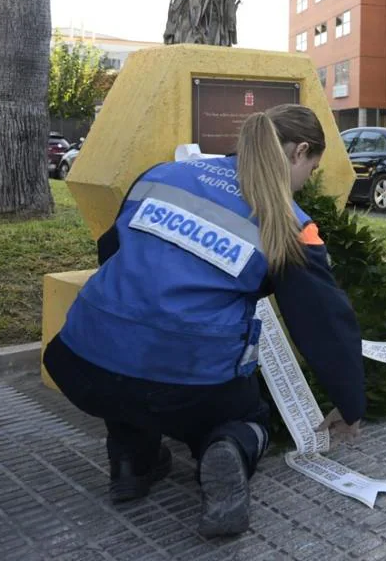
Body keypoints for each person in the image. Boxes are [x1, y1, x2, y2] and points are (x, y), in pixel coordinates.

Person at [42, 104, 365, 537]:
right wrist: (350, 404)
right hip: (188, 384)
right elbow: (323, 322)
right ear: (299, 152)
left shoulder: (162, 175)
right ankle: (227, 446)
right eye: (311, 168)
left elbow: (110, 251)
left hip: (78, 361)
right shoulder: (288, 224)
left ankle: (131, 463)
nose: (306, 181)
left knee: (129, 364)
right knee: (245, 413)